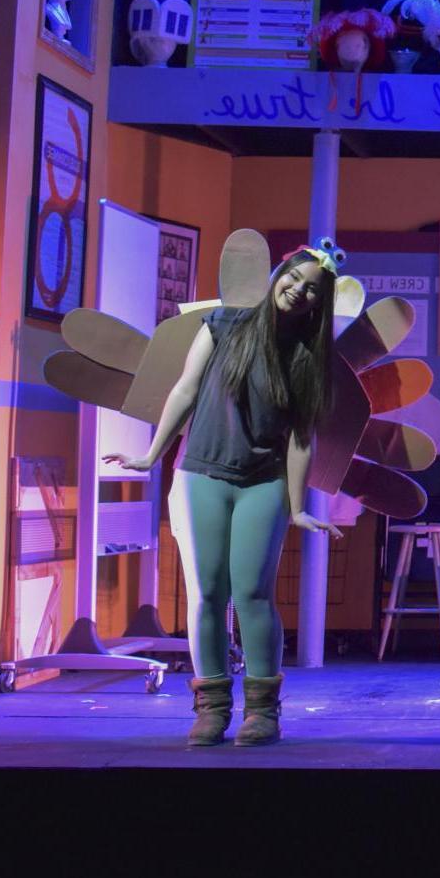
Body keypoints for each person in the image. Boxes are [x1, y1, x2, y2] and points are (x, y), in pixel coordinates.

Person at [104, 241, 348, 746]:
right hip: (202, 476)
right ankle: (211, 709)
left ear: (318, 305)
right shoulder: (223, 325)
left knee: (254, 594)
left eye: (310, 290)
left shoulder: (307, 357)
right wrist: (151, 455)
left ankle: (263, 713)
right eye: (294, 278)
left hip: (263, 482)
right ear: (279, 273)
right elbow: (185, 390)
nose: (297, 291)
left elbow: (303, 439)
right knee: (208, 595)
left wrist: (299, 507)